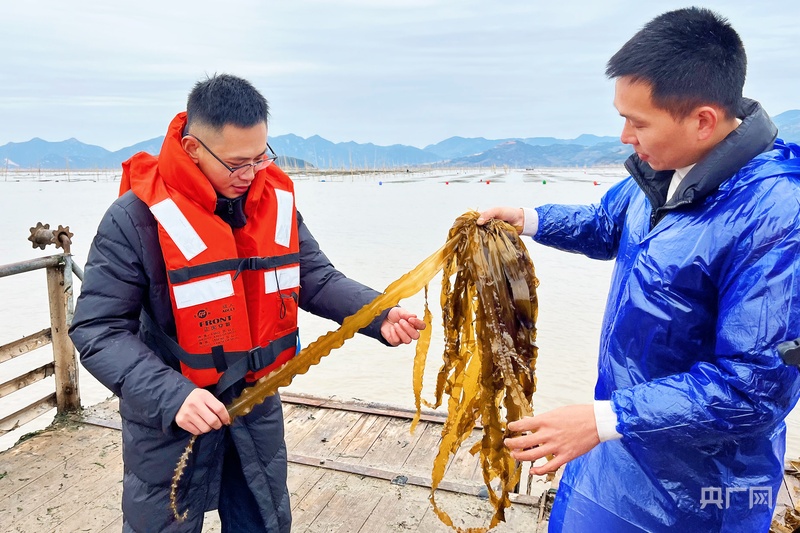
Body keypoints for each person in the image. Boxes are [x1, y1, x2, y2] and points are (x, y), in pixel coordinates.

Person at [479, 7, 800, 532]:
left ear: (702, 120)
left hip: (707, 486)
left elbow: (755, 387)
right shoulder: (660, 171)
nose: (625, 136)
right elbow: (606, 224)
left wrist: (605, 418)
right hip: (613, 454)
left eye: (638, 121)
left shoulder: (779, 212)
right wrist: (529, 219)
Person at [69, 74, 425, 533]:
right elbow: (97, 330)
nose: (252, 173)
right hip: (170, 416)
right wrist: (173, 396)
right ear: (194, 148)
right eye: (238, 163)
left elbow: (314, 276)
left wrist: (379, 313)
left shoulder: (272, 201)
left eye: (261, 157)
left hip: (254, 404)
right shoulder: (134, 218)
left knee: (263, 521)